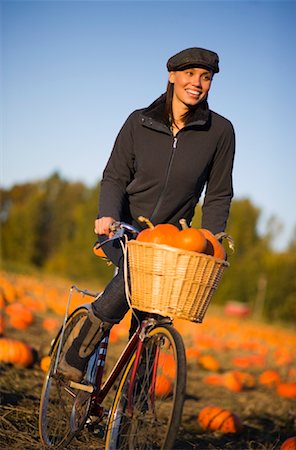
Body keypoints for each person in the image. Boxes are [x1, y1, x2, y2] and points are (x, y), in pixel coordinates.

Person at [58, 47, 235, 382]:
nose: (196, 83)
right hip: (121, 227)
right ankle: (83, 341)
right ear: (172, 76)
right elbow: (114, 176)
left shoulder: (220, 132)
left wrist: (212, 240)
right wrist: (107, 214)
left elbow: (219, 193)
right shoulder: (139, 121)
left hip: (170, 239)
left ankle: (133, 405)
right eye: (189, 74)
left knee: (152, 317)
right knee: (135, 273)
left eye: (205, 77)